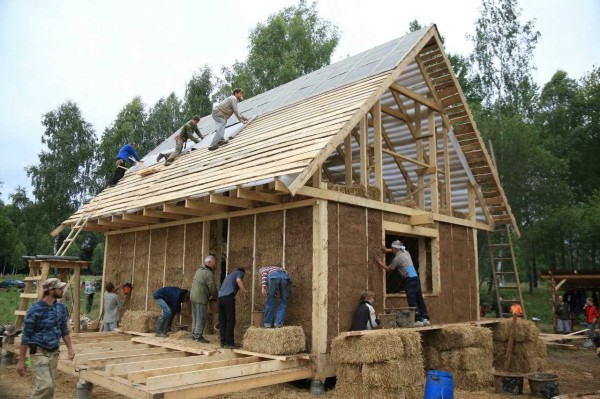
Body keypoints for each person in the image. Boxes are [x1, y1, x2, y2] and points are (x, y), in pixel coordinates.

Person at [17, 278, 76, 398]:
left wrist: (70, 348)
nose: (62, 290)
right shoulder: (34, 310)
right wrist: (22, 360)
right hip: (39, 352)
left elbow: (64, 329)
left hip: (54, 353)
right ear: (50, 290)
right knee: (46, 386)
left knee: (49, 389)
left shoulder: (61, 308)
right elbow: (26, 336)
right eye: (59, 288)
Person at [374, 240, 430, 326]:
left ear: (394, 249)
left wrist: (380, 263)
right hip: (415, 278)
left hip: (409, 280)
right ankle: (425, 318)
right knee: (419, 298)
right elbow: (395, 250)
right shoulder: (406, 252)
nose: (391, 250)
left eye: (392, 249)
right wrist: (387, 250)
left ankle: (417, 319)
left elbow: (389, 269)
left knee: (412, 299)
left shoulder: (397, 259)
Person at [218, 267, 248, 348]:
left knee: (222, 320)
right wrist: (245, 291)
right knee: (230, 320)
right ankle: (229, 343)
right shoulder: (239, 273)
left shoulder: (229, 275)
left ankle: (223, 341)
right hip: (228, 297)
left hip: (220, 298)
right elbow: (238, 280)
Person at [190, 255, 217, 343]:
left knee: (195, 316)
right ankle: (198, 336)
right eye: (214, 263)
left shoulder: (199, 270)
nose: (214, 265)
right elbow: (212, 287)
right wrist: (215, 296)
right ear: (209, 262)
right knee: (201, 317)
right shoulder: (208, 273)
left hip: (193, 297)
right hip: (200, 297)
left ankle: (194, 334)